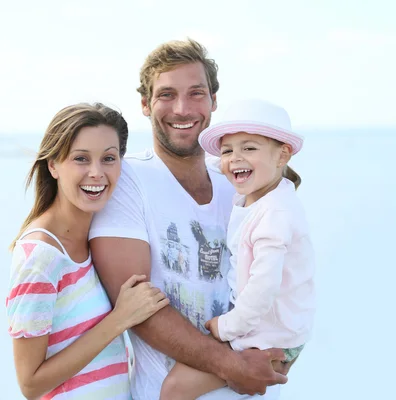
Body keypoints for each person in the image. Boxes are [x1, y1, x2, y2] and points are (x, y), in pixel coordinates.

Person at [89, 39, 291, 400]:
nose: (182, 109)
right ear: (145, 105)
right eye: (166, 94)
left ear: (214, 101)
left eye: (196, 93)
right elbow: (136, 305)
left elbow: (281, 275)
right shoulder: (128, 182)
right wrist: (232, 367)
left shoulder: (239, 183)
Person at [5, 103, 169, 400]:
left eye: (109, 158)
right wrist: (119, 320)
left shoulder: (96, 239)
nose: (97, 173)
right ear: (53, 165)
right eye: (81, 159)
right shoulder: (41, 257)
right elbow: (30, 384)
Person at [159, 99, 316, 400]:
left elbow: (263, 288)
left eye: (250, 148)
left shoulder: (274, 215)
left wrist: (226, 327)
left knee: (174, 389)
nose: (235, 159)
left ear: (283, 154)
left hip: (269, 335)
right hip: (278, 329)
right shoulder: (261, 197)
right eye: (228, 151)